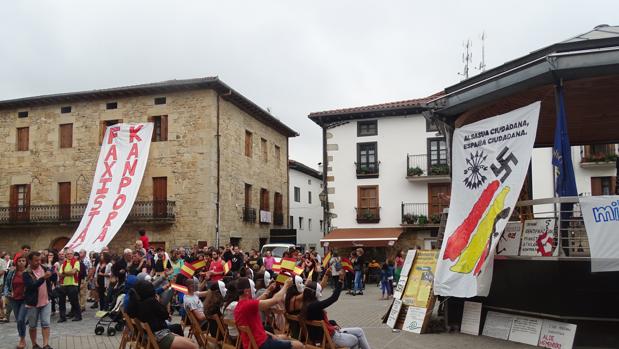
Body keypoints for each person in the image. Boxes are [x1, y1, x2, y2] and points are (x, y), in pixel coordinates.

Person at [301, 271, 371, 349]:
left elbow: (321, 324)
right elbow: (334, 298)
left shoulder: (304, 305)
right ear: (315, 293)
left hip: (327, 332)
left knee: (359, 331)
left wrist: (331, 326)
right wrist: (340, 281)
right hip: (331, 337)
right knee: (355, 339)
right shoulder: (314, 305)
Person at [234, 276, 304, 349]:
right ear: (247, 291)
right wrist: (286, 286)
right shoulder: (248, 305)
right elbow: (276, 300)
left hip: (253, 343)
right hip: (262, 344)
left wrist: (268, 290)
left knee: (285, 337)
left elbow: (257, 301)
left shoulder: (239, 306)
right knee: (300, 345)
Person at [127, 280, 197, 349]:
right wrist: (157, 301)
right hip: (161, 337)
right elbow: (165, 315)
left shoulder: (136, 304)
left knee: (190, 342)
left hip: (151, 338)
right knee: (194, 346)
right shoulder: (151, 302)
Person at [23, 251, 56, 349]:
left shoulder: (44, 268)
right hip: (33, 303)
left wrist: (53, 274)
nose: (38, 262)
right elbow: (31, 287)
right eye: (36, 260)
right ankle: (34, 344)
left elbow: (53, 278)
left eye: (39, 260)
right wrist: (43, 277)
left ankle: (45, 344)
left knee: (46, 323)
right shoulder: (26, 273)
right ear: (29, 261)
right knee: (32, 325)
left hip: (46, 301)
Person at [4, 255, 28, 349]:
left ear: (26, 262)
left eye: (23, 260)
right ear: (16, 262)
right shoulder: (12, 272)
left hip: (25, 299)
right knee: (19, 320)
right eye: (19, 261)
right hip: (14, 299)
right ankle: (22, 338)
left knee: (21, 319)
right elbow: (7, 284)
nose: (21, 262)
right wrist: (7, 293)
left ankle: (22, 339)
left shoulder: (29, 272)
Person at [58, 250, 81, 322]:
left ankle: (78, 316)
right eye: (67, 254)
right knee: (61, 302)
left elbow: (73, 272)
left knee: (74, 301)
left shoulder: (76, 262)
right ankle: (62, 317)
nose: (69, 255)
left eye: (70, 254)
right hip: (63, 284)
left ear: (73, 254)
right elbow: (60, 274)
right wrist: (68, 273)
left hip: (73, 284)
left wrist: (65, 273)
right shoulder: (63, 263)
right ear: (65, 255)